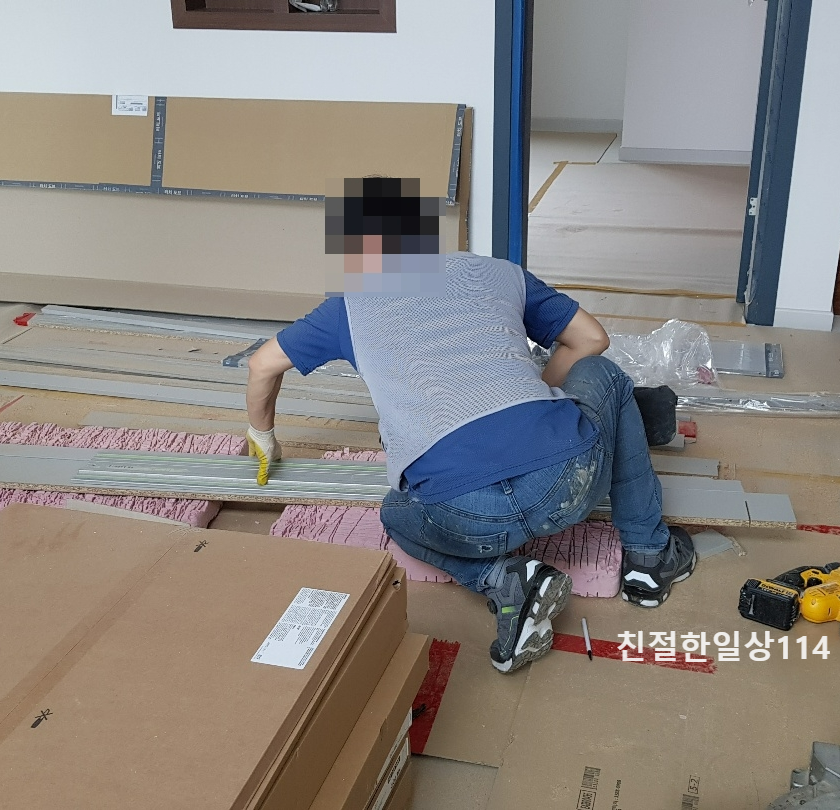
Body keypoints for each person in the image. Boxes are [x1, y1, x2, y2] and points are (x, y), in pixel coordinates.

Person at [244, 178, 696, 674]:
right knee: (603, 375)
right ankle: (649, 558)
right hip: (567, 483)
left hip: (460, 515)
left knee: (397, 514)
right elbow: (591, 339)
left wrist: (262, 437)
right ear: (423, 234)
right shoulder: (496, 271)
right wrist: (539, 393)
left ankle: (506, 578)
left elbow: (262, 366)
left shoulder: (347, 307)